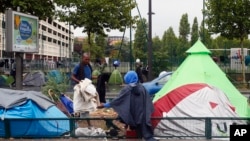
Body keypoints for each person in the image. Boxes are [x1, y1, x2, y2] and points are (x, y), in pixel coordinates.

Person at [97, 71, 157, 141]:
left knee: (134, 135)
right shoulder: (142, 88)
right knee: (145, 134)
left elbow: (117, 100)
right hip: (142, 115)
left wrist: (105, 105)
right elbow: (148, 101)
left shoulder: (127, 89)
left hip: (132, 116)